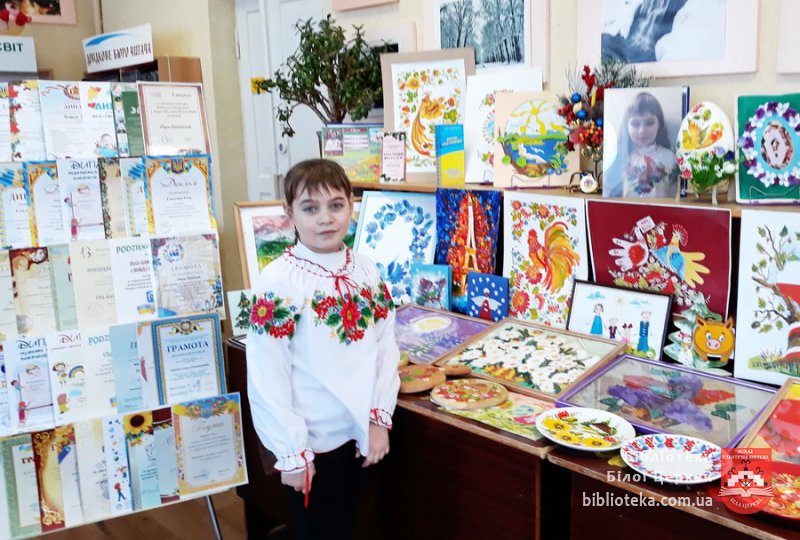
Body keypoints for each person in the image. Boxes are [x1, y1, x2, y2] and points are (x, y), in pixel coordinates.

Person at [246, 159, 400, 540]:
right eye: (310, 208)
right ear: (289, 213)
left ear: (352, 204)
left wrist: (379, 419)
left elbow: (385, 345)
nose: (325, 218)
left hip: (361, 437)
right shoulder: (280, 279)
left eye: (336, 205)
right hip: (313, 445)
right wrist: (292, 452)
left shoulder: (365, 269)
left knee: (357, 525)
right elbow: (268, 374)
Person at [611, 92, 678, 198]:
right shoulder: (622, 159)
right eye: (635, 124)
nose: (642, 130)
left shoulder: (670, 158)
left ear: (659, 124)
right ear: (626, 126)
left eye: (649, 123)